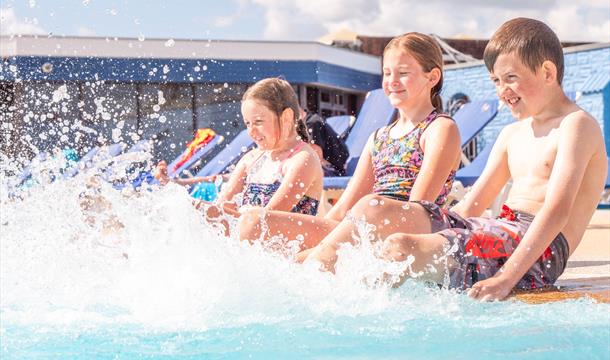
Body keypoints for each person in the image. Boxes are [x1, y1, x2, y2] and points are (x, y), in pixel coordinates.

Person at [372, 18, 607, 301]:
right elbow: (473, 204)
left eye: (510, 78)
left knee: (401, 249)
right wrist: (432, 226)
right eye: (496, 80)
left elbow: (557, 210)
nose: (501, 90)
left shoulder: (576, 125)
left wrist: (506, 278)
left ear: (547, 72)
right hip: (498, 231)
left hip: (540, 250)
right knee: (381, 213)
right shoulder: (512, 133)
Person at [239, 32, 462, 252]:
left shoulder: (439, 129)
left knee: (369, 206)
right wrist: (314, 236)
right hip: (364, 223)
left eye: (403, 73)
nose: (392, 81)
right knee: (254, 223)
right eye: (386, 73)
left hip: (404, 237)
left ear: (432, 77)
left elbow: (416, 211)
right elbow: (342, 209)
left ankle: (313, 261)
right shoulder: (379, 138)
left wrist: (316, 249)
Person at [155, 78, 324, 233]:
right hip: (249, 238)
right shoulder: (251, 159)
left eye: (258, 122)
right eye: (247, 123)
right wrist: (176, 190)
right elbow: (221, 208)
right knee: (184, 211)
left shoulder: (302, 159)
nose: (251, 131)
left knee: (250, 220)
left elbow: (268, 221)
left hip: (285, 250)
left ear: (286, 117)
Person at [302, 109, 349, 176]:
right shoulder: (311, 120)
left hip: (334, 170)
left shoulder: (312, 123)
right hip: (335, 166)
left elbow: (316, 159)